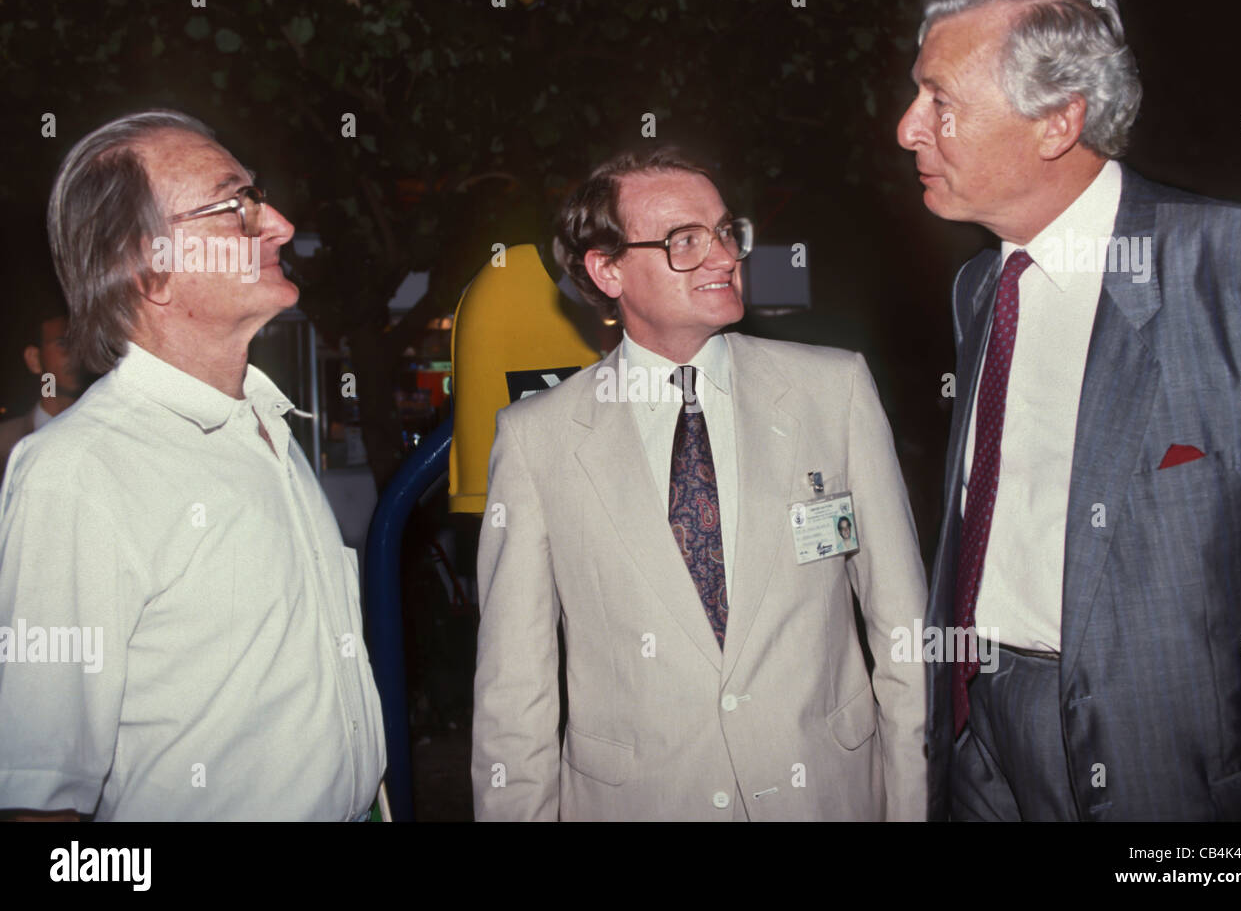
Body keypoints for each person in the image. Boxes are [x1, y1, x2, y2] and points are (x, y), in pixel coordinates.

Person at [897, 0, 1241, 819]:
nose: (907, 129)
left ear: (1056, 122)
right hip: (980, 739)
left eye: (939, 101)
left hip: (1173, 767)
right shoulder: (978, 289)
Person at [471, 147, 928, 820]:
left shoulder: (835, 391)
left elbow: (904, 633)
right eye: (685, 240)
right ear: (608, 269)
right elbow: (515, 690)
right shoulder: (537, 439)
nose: (721, 256)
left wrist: (913, 805)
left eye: (724, 231)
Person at [0, 110, 386, 820]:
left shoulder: (266, 421)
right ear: (148, 270)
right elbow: (40, 799)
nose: (278, 224)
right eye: (233, 207)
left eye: (257, 197)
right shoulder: (79, 473)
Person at [0, 292, 82, 471]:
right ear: (34, 359)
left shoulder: (109, 433)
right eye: (63, 344)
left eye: (82, 343)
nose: (77, 353)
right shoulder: (5, 444)